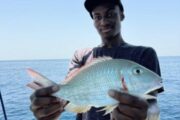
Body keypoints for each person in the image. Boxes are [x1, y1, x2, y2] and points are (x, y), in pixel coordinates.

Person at [29, 0, 164, 120]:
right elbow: (68, 97)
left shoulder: (144, 53)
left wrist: (146, 116)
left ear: (122, 14)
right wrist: (50, 107)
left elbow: (152, 104)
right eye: (97, 17)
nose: (104, 22)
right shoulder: (81, 55)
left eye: (110, 14)